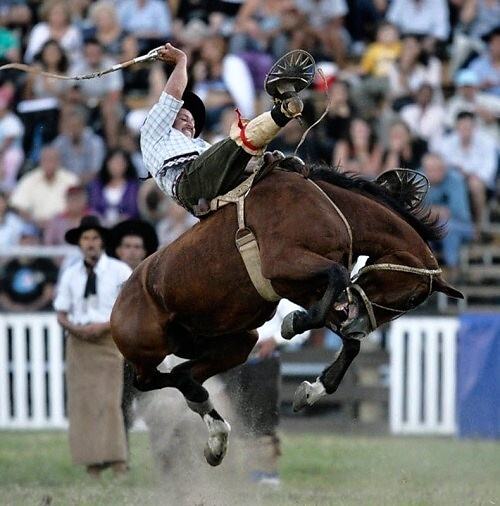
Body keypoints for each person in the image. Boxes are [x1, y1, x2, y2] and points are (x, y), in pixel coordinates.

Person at [141, 42, 307, 215]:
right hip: (190, 183)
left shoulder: (199, 146)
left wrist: (261, 164)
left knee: (258, 165)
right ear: (169, 119)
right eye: (184, 118)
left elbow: (228, 165)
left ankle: (284, 170)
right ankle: (284, 110)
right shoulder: (154, 130)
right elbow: (173, 93)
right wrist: (181, 60)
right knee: (239, 140)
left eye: (192, 122)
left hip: (206, 188)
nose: (191, 123)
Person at [53, 215, 132, 478]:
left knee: (109, 402)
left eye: (95, 238)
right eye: (85, 238)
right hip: (78, 343)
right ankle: (92, 465)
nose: (90, 243)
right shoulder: (70, 274)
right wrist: (74, 328)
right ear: (79, 243)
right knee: (83, 404)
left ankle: (118, 461)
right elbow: (61, 312)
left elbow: (128, 308)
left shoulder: (119, 271)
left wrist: (104, 326)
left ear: (102, 242)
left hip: (108, 340)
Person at [223, 299, 310, 486]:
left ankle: (266, 472)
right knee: (230, 417)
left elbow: (302, 323)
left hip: (262, 363)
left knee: (263, 419)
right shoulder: (231, 289)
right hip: (230, 362)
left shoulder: (277, 296)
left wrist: (275, 340)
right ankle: (235, 472)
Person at [108, 218, 159, 446]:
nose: (131, 252)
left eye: (137, 247)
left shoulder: (155, 278)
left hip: (148, 352)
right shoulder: (106, 278)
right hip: (115, 352)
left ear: (145, 251)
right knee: (119, 405)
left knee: (158, 406)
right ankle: (121, 456)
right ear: (118, 250)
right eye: (127, 246)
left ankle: (164, 453)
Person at [423, 152, 474, 280]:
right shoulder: (419, 179)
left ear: (444, 169)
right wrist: (435, 212)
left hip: (461, 225)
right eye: (430, 170)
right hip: (432, 227)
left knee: (446, 226)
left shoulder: (455, 180)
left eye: (437, 169)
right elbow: (414, 211)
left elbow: (457, 212)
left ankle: (453, 269)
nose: (433, 173)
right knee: (422, 228)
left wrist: (430, 212)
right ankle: (426, 269)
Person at [9, 145, 78, 229]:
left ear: (59, 161)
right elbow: (19, 206)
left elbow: (78, 205)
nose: (49, 163)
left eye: (52, 160)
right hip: (35, 225)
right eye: (45, 160)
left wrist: (56, 223)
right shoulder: (29, 180)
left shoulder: (71, 180)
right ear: (40, 161)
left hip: (65, 224)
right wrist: (35, 221)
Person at [0, 222, 58, 312]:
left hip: (41, 315)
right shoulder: (10, 265)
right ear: (19, 241)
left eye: (32, 239)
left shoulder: (46, 264)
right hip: (12, 315)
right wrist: (15, 308)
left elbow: (49, 292)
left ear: (38, 241)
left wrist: (30, 309)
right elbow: (2, 294)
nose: (28, 243)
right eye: (24, 239)